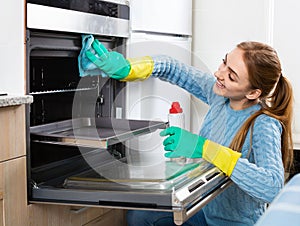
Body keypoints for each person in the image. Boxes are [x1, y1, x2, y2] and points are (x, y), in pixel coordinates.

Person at [81, 40, 294, 225]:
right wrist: (129, 68)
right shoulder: (220, 96)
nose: (219, 73)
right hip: (206, 213)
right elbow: (174, 69)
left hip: (237, 223)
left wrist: (204, 148)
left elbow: (272, 186)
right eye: (224, 62)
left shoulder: (264, 123)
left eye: (231, 75)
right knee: (139, 217)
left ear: (253, 92)